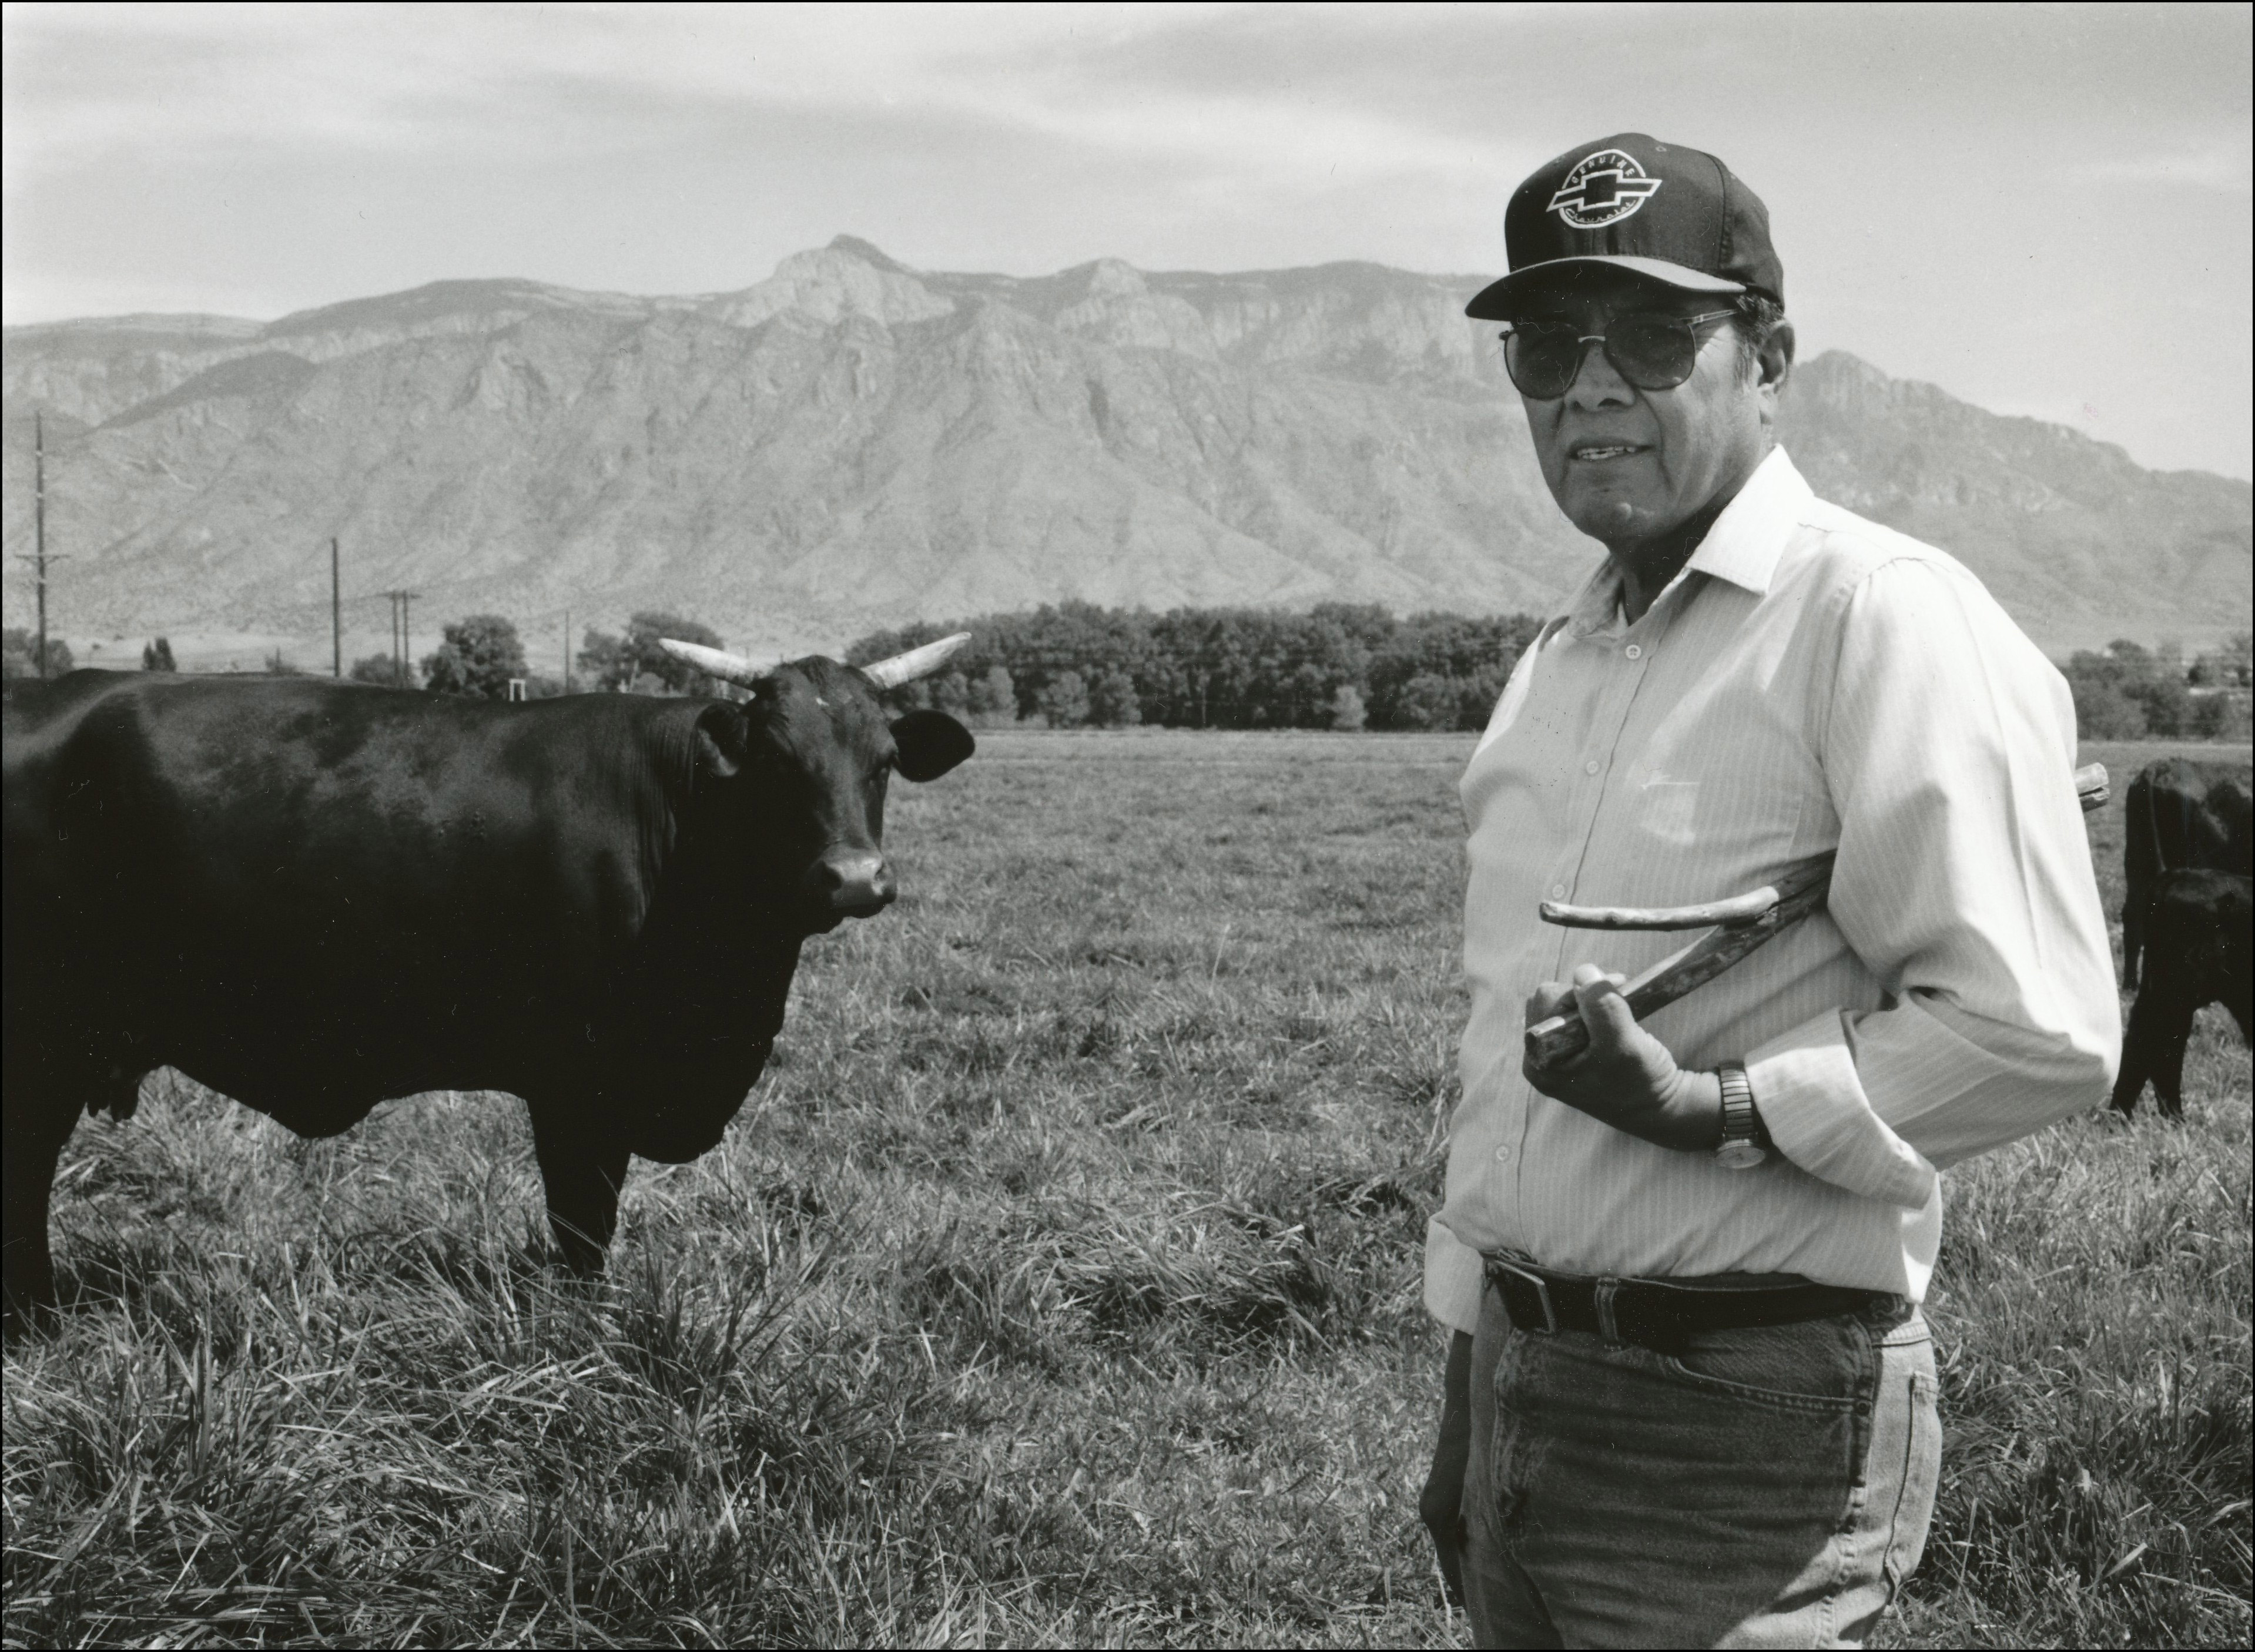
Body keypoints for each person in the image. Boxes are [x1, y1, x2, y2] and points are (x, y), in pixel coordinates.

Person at [1417, 133, 2119, 1648]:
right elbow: (1504, 1078)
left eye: (1656, 335)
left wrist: (1715, 1112)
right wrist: (1472, 1401)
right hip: (1529, 1390)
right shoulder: (1560, 656)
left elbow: (2039, 1027)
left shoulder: (1881, 615)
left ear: (1770, 354)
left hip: (1744, 1429)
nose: (1592, 386)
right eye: (1548, 345)